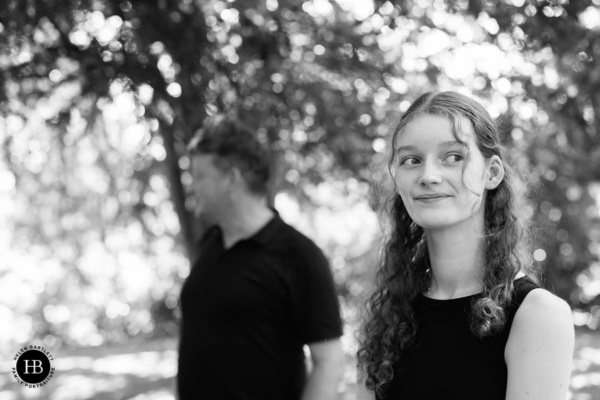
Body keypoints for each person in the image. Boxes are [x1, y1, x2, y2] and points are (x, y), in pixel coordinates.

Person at [356, 91, 574, 400]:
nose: (429, 176)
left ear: (492, 172)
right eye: (411, 160)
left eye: (453, 157)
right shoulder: (387, 317)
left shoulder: (538, 316)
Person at [178, 115, 345, 400]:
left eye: (199, 176)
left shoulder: (299, 255)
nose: (191, 187)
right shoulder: (211, 243)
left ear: (231, 178)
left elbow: (329, 362)